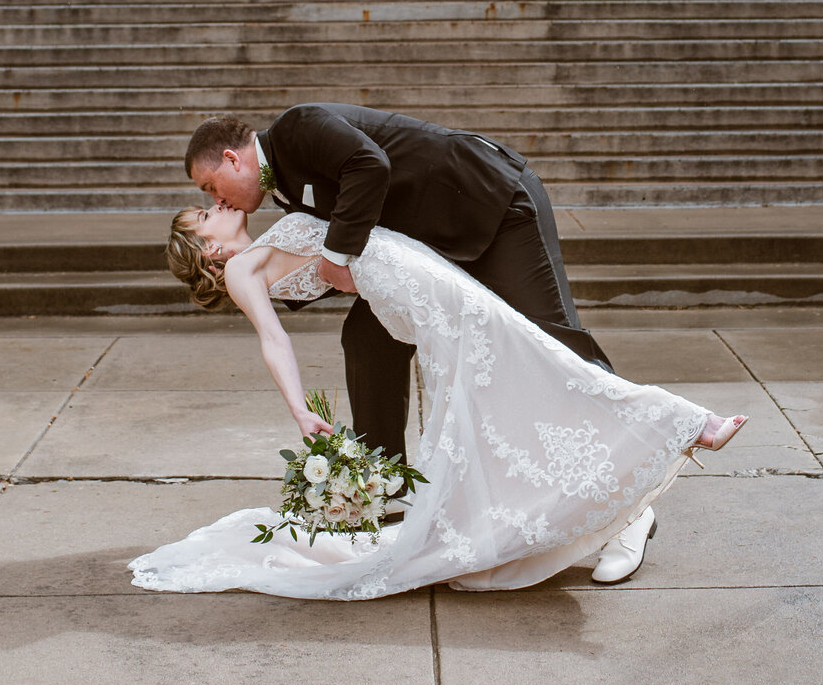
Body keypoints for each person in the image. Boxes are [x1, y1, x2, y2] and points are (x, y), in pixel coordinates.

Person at [130, 206, 746, 599]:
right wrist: (298, 409)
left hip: (409, 274)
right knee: (531, 361)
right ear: (211, 253)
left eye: (208, 201)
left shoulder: (265, 232)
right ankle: (686, 425)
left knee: (521, 368)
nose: (216, 207)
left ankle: (637, 470)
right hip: (409, 285)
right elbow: (274, 340)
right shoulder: (242, 272)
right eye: (205, 217)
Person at [179, 106, 660, 583]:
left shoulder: (298, 128)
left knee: (555, 344)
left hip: (490, 206)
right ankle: (384, 486)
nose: (219, 200)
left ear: (231, 159)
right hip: (431, 249)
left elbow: (369, 165)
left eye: (210, 187)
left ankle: (632, 506)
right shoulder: (280, 185)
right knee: (368, 342)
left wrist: (331, 256)